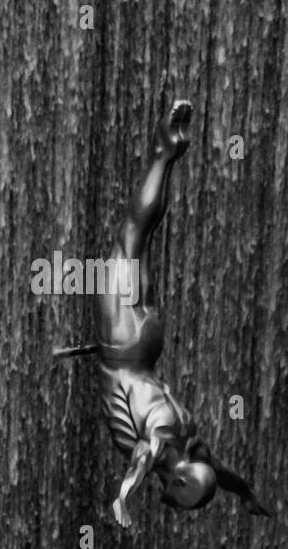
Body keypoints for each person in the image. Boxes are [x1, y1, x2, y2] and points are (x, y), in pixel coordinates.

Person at [57, 100, 270, 527]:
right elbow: (140, 462)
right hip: (124, 344)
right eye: (171, 493)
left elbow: (224, 475)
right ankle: (163, 151)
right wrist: (123, 499)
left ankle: (168, 157)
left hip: (147, 342)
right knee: (131, 235)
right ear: (177, 482)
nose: (163, 493)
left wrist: (246, 494)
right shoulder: (162, 446)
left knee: (143, 238)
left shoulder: (195, 445)